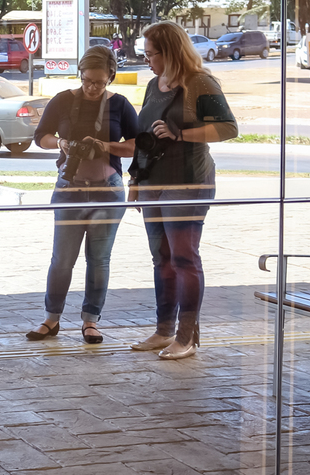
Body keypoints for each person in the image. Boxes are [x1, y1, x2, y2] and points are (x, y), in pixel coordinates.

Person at [129, 21, 237, 360]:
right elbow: (144, 138)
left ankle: (186, 336)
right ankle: (163, 331)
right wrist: (135, 179)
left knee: (183, 258)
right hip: (153, 183)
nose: (147, 60)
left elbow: (228, 128)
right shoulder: (152, 85)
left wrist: (181, 133)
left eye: (151, 54)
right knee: (161, 259)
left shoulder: (199, 83)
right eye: (144, 54)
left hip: (188, 181)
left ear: (170, 52)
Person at [26, 45, 137, 344]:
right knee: (62, 259)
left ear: (111, 77)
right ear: (80, 74)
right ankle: (51, 319)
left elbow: (137, 145)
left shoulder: (121, 105)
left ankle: (91, 321)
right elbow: (40, 137)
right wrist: (63, 144)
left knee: (98, 260)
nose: (92, 87)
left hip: (107, 190)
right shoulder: (63, 100)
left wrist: (106, 147)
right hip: (69, 190)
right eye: (87, 80)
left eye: (99, 82)